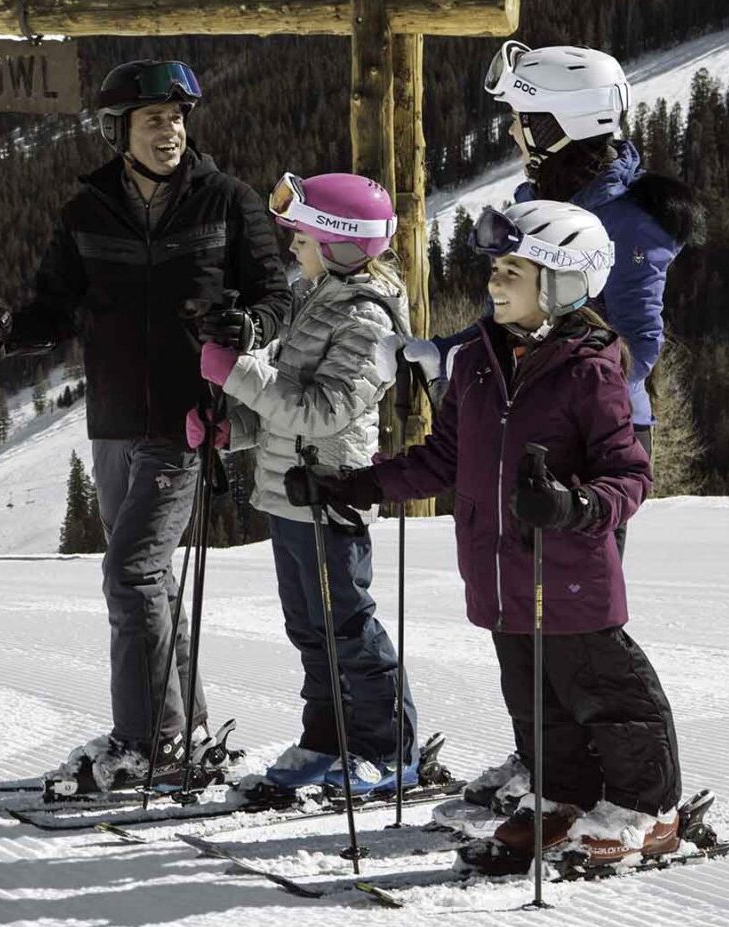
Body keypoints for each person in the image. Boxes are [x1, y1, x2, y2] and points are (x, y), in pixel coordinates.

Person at [291, 199, 682, 866]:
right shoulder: (473, 360)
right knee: (533, 701)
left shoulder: (589, 369)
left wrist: (572, 504)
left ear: (560, 283)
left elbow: (628, 475)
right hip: (497, 571)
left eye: (512, 271)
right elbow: (442, 456)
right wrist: (359, 482)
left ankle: (648, 808)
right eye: (495, 269)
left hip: (567, 570)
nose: (494, 283)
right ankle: (561, 794)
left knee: (608, 692)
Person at [0, 58, 290, 795]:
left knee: (131, 571)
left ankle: (148, 742)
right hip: (112, 417)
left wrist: (250, 323)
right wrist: (7, 332)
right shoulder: (88, 210)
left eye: (177, 118)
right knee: (151, 581)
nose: (169, 131)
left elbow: (277, 294)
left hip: (191, 415)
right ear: (121, 131)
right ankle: (187, 729)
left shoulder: (227, 200)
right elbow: (54, 304)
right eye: (153, 120)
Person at [194, 172, 422, 797]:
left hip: (329, 493)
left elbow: (323, 412)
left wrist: (237, 377)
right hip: (288, 494)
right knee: (309, 627)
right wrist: (229, 430)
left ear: (343, 243)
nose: (291, 246)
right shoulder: (315, 296)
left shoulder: (368, 321)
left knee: (347, 625)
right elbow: (280, 406)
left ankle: (388, 747)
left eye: (303, 236)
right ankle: (327, 735)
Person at [415, 43, 704, 526]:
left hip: (597, 435)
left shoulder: (629, 223)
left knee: (575, 593)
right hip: (529, 421)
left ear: (558, 123)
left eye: (521, 118)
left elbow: (639, 346)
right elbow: (508, 321)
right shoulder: (539, 202)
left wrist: (554, 391)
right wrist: (445, 351)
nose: (511, 130)